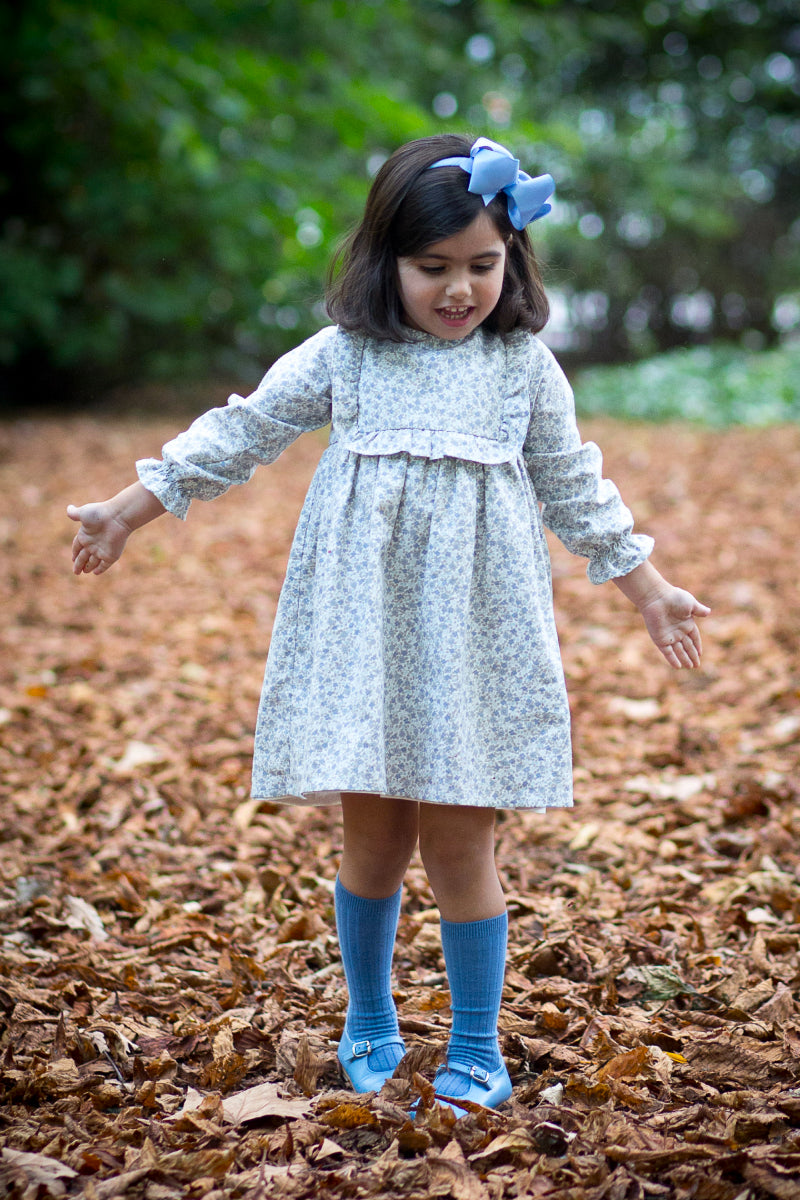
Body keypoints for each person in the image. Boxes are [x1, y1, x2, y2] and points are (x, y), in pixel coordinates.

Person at [68, 134, 709, 1116]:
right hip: (364, 639)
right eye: (432, 269)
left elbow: (576, 491)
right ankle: (367, 1017)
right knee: (370, 839)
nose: (459, 290)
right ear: (386, 262)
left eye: (481, 266)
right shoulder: (349, 357)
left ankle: (473, 1044)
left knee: (462, 843)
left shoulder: (519, 368)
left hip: (472, 642)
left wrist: (649, 587)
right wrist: (127, 507)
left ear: (513, 259)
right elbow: (244, 429)